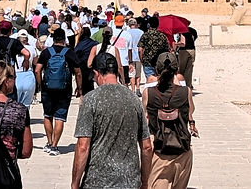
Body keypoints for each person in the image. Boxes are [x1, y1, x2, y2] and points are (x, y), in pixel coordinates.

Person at [72, 53, 153, 189]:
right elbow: (146, 147)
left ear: (97, 74)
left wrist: (75, 183)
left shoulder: (91, 100)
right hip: (130, 181)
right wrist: (144, 182)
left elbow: (83, 146)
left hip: (97, 181)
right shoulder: (133, 99)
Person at [143, 51, 197, 189]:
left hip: (159, 151)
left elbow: (144, 118)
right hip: (182, 149)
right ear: (176, 69)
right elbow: (191, 111)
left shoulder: (148, 93)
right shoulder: (186, 92)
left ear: (157, 69)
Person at [35, 28, 82, 156]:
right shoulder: (70, 53)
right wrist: (79, 88)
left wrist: (40, 85)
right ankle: (55, 146)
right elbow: (78, 72)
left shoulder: (46, 53)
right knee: (60, 117)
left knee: (47, 115)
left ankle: (49, 142)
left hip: (47, 88)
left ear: (53, 38)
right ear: (64, 39)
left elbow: (37, 70)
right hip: (64, 89)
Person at [14, 31, 36, 107]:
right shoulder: (32, 49)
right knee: (26, 103)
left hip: (16, 75)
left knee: (15, 102)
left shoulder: (14, 49)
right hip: (28, 75)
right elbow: (35, 62)